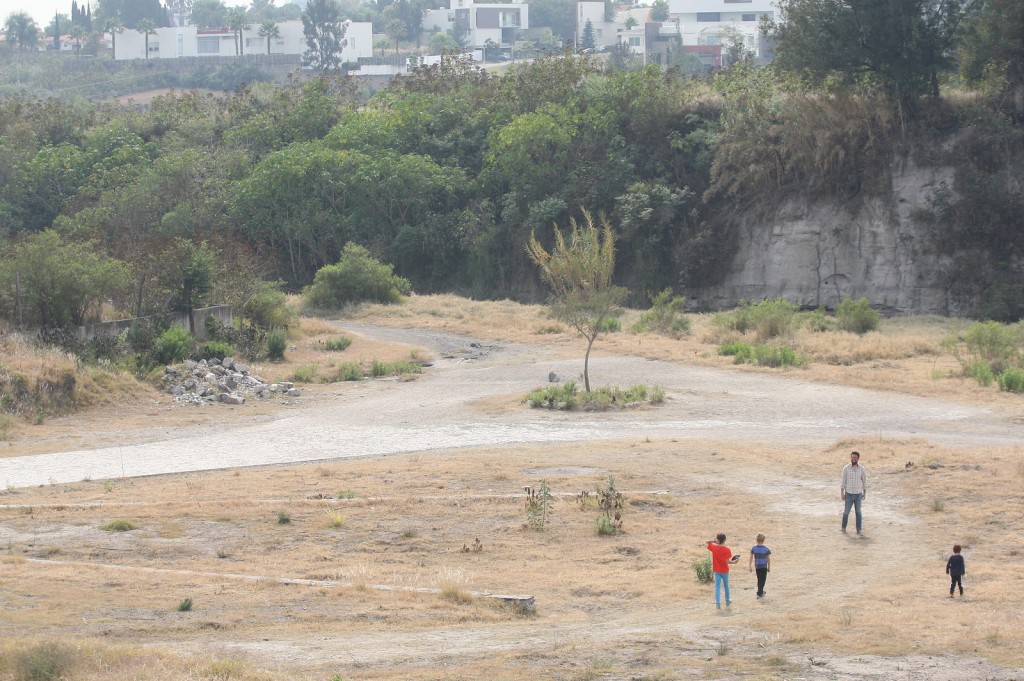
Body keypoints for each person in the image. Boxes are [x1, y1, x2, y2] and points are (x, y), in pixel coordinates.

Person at [840, 450, 867, 534]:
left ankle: (859, 529)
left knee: (858, 512)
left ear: (858, 458)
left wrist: (864, 493)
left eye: (855, 457)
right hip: (849, 493)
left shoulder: (862, 469)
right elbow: (843, 482)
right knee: (846, 512)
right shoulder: (846, 468)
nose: (853, 459)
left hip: (858, 494)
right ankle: (843, 527)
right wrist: (842, 493)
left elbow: (864, 482)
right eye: (852, 457)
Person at [706, 533, 733, 609]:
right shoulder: (727, 550)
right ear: (724, 540)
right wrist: (734, 562)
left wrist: (714, 541)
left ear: (717, 540)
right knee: (726, 586)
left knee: (717, 587)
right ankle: (727, 601)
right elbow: (728, 561)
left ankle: (718, 603)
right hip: (724, 570)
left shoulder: (714, 548)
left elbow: (707, 542)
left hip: (717, 570)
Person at [749, 533, 772, 598]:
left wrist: (750, 566)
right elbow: (768, 559)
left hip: (758, 566)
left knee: (759, 579)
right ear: (763, 540)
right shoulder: (766, 549)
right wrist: (769, 567)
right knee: (763, 579)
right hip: (764, 566)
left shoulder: (754, 548)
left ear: (756, 540)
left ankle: (760, 591)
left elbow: (751, 557)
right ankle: (760, 592)